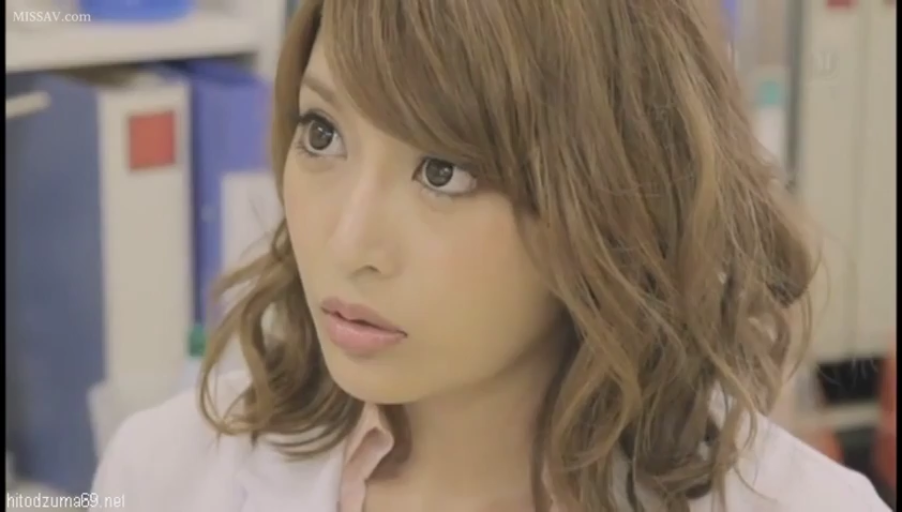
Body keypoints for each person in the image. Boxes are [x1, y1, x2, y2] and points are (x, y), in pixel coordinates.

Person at [90, 1, 891, 511]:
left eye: (444, 172)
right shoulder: (164, 474)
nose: (348, 242)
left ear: (610, 197)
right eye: (323, 133)